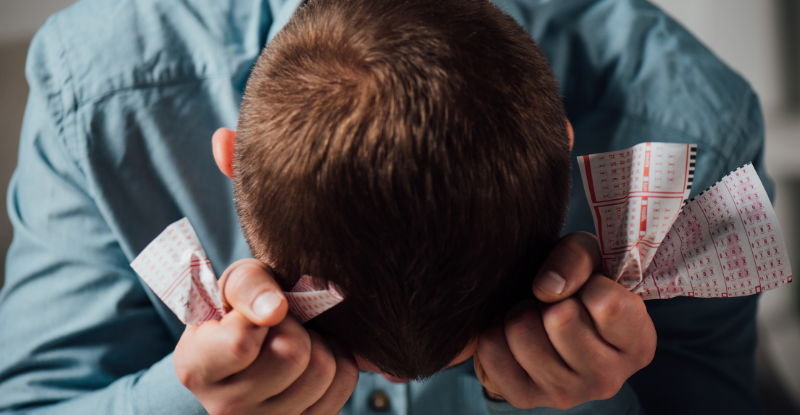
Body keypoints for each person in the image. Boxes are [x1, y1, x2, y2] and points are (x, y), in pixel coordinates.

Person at [0, 0, 771, 415]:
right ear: (235, 170)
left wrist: (585, 403)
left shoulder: (687, 132)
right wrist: (185, 401)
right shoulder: (99, 91)